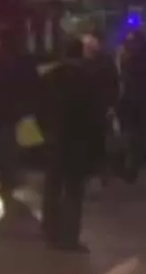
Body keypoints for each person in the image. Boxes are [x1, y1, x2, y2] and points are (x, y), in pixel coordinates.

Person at [38, 37, 106, 252]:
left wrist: (46, 132)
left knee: (52, 187)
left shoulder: (49, 77)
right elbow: (96, 115)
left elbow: (38, 108)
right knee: (74, 191)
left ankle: (50, 232)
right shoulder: (88, 79)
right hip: (78, 143)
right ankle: (70, 238)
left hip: (54, 140)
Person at [0, 26, 42, 195]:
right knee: (13, 145)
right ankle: (11, 176)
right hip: (17, 109)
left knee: (4, 146)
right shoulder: (24, 60)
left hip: (0, 110)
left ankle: (6, 178)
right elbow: (33, 84)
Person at [82, 33, 122, 186]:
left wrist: (112, 105)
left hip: (102, 108)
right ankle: (95, 172)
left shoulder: (103, 62)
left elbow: (113, 84)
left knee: (103, 142)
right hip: (89, 109)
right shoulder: (85, 63)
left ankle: (103, 173)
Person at [117, 31, 146, 182]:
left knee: (132, 136)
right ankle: (142, 160)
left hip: (133, 104)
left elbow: (127, 82)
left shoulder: (133, 61)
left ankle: (132, 168)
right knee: (139, 135)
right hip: (141, 103)